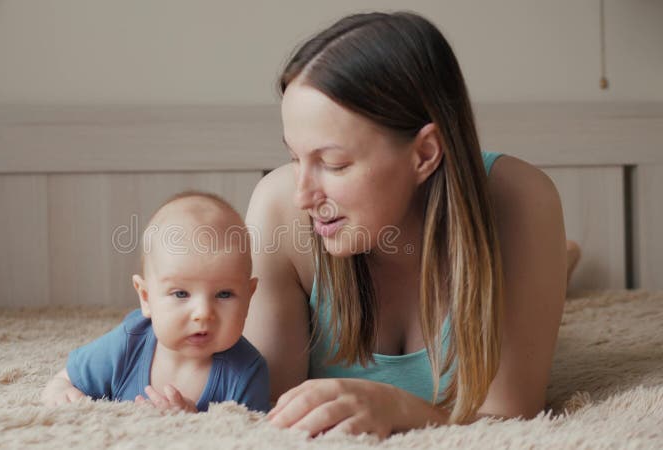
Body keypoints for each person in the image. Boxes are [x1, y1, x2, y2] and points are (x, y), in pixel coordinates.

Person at [242, 11, 575, 438]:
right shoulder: (278, 209)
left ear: (424, 154)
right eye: (294, 157)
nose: (303, 195)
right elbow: (264, 409)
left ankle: (560, 262)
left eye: (333, 163)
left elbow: (511, 418)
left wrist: (398, 406)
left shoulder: (523, 202)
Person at [41, 191, 270, 413]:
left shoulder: (247, 372)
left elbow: (248, 434)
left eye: (224, 294)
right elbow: (68, 377)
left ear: (248, 297)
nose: (203, 313)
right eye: (181, 294)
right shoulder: (129, 342)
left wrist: (192, 422)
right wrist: (59, 388)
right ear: (146, 297)